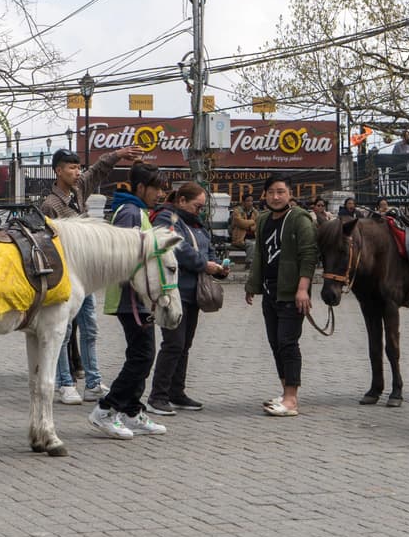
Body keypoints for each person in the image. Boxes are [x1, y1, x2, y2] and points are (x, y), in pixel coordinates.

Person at [38, 145, 140, 406]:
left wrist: (117, 155)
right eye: (71, 168)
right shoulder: (50, 205)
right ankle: (65, 383)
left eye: (77, 167)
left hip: (85, 277)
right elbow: (46, 242)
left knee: (90, 328)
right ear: (58, 171)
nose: (77, 172)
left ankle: (93, 382)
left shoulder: (78, 190)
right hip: (64, 277)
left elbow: (98, 170)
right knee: (65, 330)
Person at [88, 161, 169, 440]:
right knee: (142, 356)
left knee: (144, 354)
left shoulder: (136, 211)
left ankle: (132, 411)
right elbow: (123, 255)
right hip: (131, 297)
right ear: (141, 187)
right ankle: (105, 409)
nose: (159, 193)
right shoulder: (130, 213)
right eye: (156, 188)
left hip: (140, 296)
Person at [147, 182, 228, 416]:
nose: (199, 211)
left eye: (202, 207)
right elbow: (178, 248)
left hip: (192, 293)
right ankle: (157, 396)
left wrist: (218, 265)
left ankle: (176, 392)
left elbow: (207, 247)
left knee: (184, 345)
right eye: (197, 206)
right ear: (181, 201)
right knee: (173, 344)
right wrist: (205, 265)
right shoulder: (166, 219)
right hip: (173, 291)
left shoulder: (194, 223)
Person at [246, 174, 318, 417]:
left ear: (290, 194)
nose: (276, 197)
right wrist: (251, 285)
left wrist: (302, 289)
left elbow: (309, 255)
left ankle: (291, 399)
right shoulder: (264, 219)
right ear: (264, 195)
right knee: (275, 343)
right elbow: (259, 255)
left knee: (288, 343)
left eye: (280, 192)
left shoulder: (300, 218)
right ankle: (284, 391)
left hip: (291, 293)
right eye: (271, 193)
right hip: (269, 292)